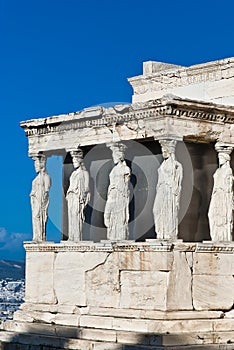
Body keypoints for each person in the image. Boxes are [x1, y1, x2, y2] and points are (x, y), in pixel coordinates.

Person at [153, 139, 183, 240]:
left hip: (169, 189)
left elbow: (178, 180)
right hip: (161, 188)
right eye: (162, 151)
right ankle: (160, 232)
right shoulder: (163, 164)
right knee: (156, 210)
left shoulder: (176, 165)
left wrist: (175, 189)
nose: (163, 153)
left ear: (170, 152)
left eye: (165, 151)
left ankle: (168, 233)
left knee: (168, 210)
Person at [104, 143, 131, 240]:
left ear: (119, 156)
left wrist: (117, 187)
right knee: (110, 213)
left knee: (119, 216)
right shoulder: (113, 170)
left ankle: (120, 236)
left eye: (114, 155)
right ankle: (112, 235)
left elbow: (126, 185)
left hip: (120, 195)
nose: (113, 158)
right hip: (112, 193)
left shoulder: (126, 169)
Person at [208, 148, 234, 241]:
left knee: (223, 217)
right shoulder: (218, 171)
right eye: (219, 158)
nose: (219, 159)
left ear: (226, 159)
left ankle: (223, 237)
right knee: (211, 215)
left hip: (223, 196)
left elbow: (228, 187)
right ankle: (216, 237)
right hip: (216, 195)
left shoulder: (228, 171)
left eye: (221, 157)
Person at [66, 149, 90, 242]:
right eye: (73, 161)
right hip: (71, 196)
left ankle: (77, 237)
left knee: (77, 215)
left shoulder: (84, 173)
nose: (74, 163)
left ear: (80, 161)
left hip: (78, 197)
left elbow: (87, 188)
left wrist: (83, 197)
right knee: (71, 216)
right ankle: (71, 236)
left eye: (75, 161)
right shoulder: (73, 173)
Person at [30, 154, 51, 241]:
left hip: (41, 200)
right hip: (35, 200)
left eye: (37, 165)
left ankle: (41, 237)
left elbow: (46, 190)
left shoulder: (46, 177)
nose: (35, 167)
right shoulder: (36, 178)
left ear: (42, 165)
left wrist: (43, 202)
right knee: (35, 217)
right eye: (35, 165)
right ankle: (37, 236)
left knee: (39, 216)